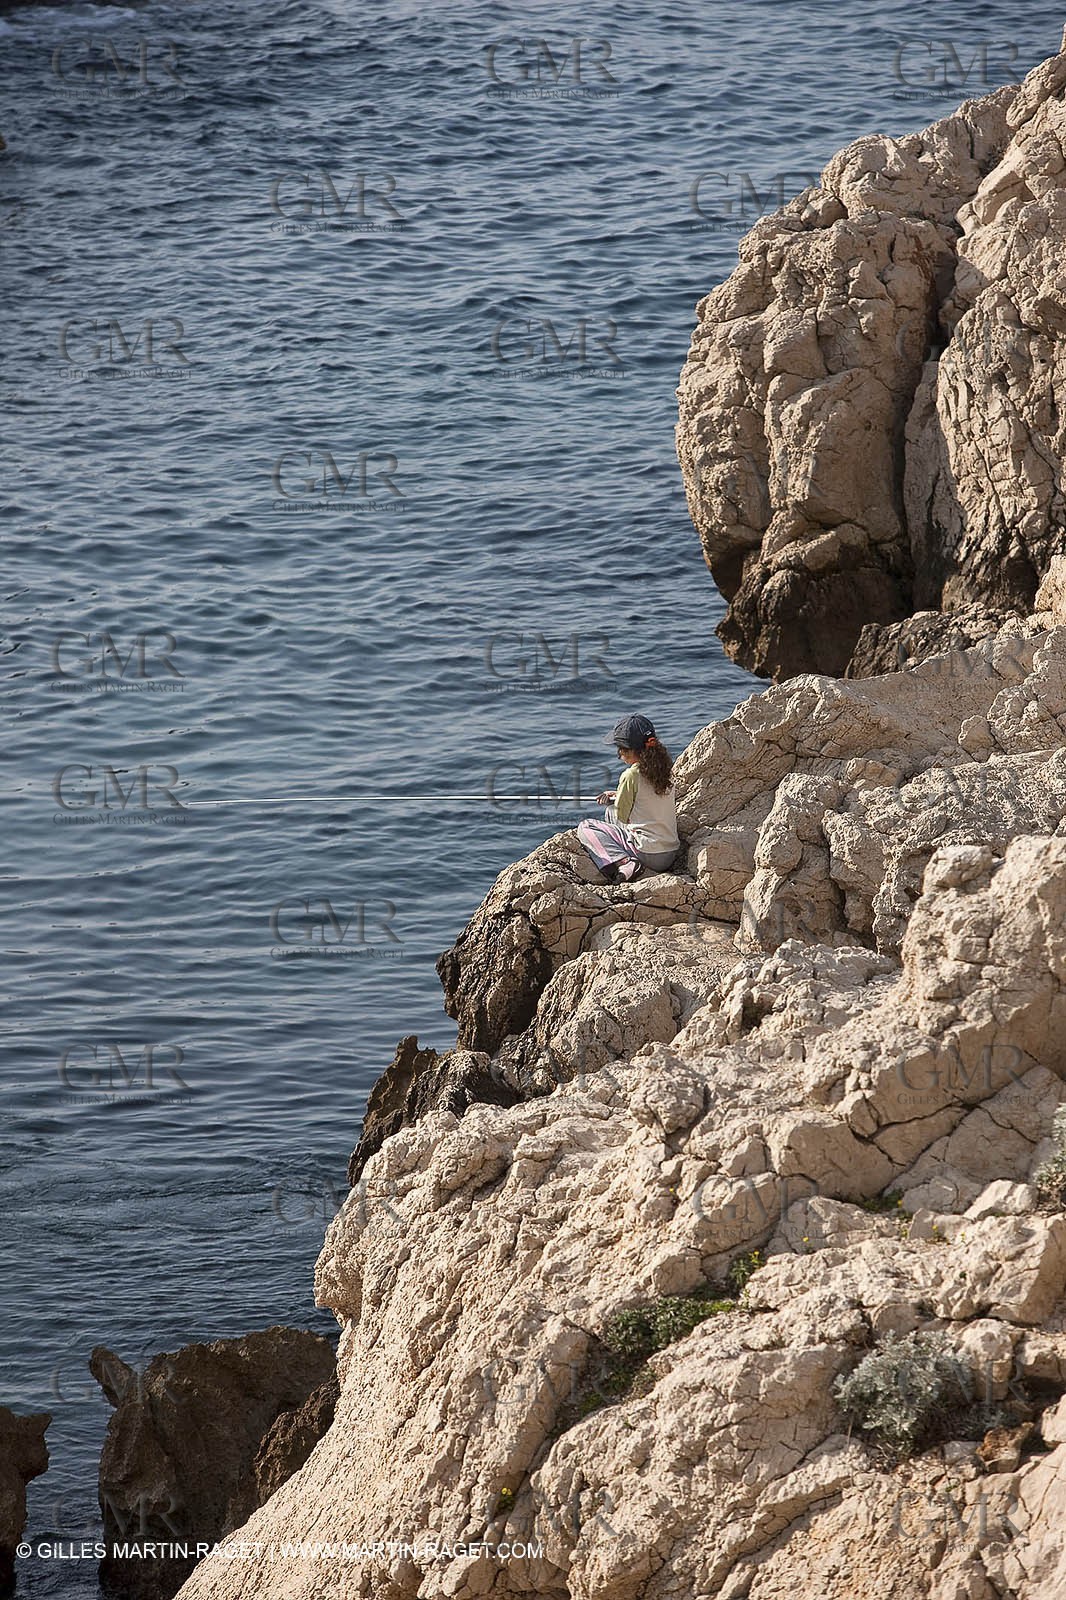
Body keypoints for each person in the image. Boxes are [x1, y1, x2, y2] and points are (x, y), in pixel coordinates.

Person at [577, 714, 679, 882]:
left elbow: (621, 816)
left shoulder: (630, 775)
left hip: (648, 854)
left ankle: (625, 863)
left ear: (629, 749)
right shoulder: (664, 769)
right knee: (610, 812)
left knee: (586, 826)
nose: (619, 754)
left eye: (620, 748)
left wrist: (615, 800)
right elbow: (648, 798)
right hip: (669, 853)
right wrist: (619, 796)